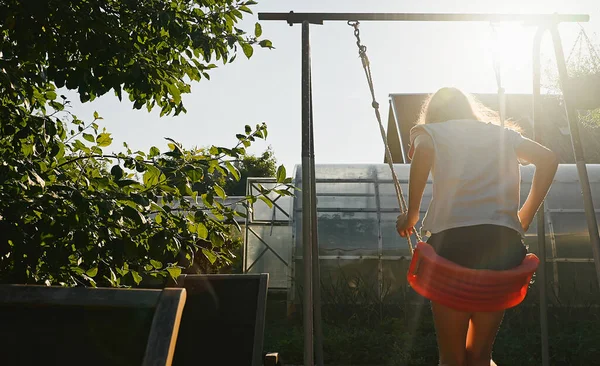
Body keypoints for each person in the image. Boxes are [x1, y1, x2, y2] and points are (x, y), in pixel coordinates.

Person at [396, 87, 559, 366]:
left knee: (452, 358)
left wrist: (411, 215)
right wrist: (526, 214)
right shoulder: (501, 134)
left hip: (453, 246)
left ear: (433, 113)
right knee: (480, 356)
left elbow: (422, 152)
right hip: (504, 247)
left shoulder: (431, 131)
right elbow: (548, 159)